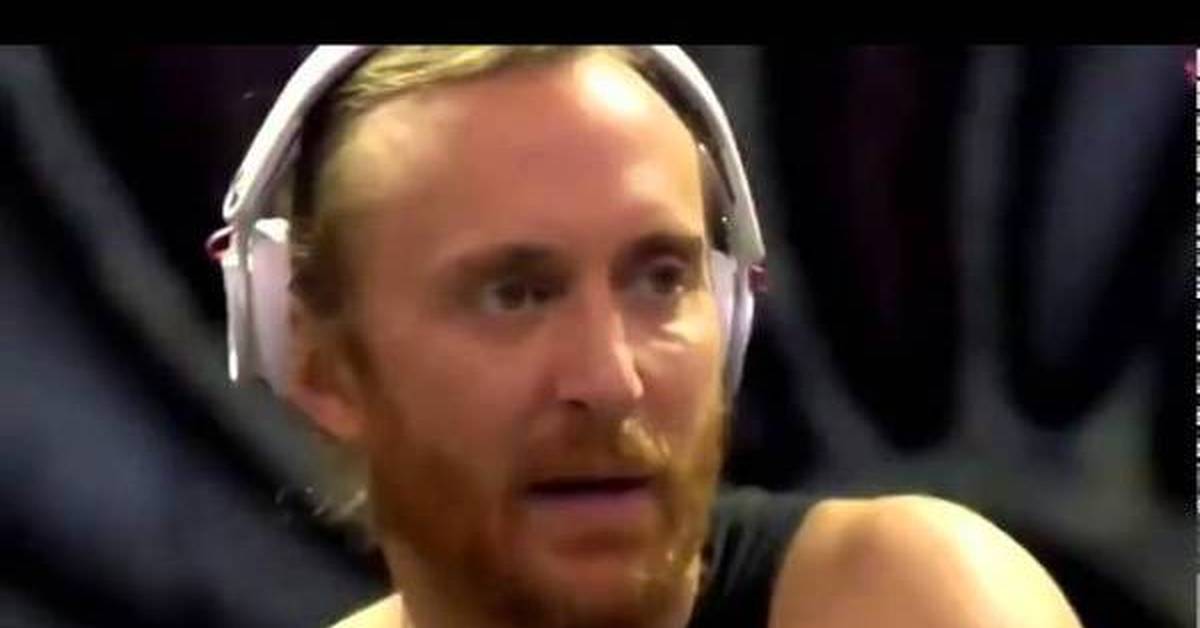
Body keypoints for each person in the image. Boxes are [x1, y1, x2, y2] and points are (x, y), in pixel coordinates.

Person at [214, 45, 1082, 628]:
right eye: (515, 295)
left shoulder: (908, 600)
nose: (612, 380)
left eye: (660, 280)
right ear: (320, 364)